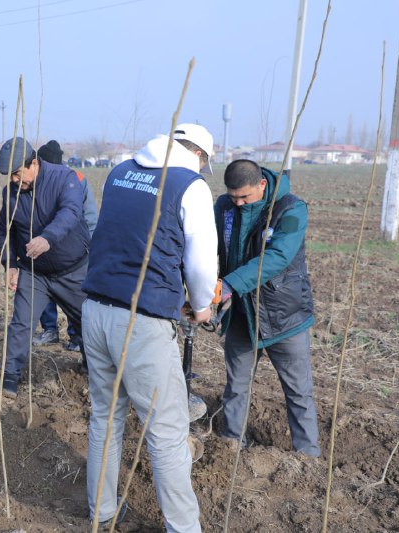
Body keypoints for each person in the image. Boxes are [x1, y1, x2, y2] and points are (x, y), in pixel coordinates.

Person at [82, 124, 218, 531]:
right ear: (200, 156)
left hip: (95, 309)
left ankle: (101, 514)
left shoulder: (121, 171)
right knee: (166, 432)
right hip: (140, 323)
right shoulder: (190, 186)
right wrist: (202, 305)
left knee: (105, 418)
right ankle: (183, 528)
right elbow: (200, 262)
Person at [214, 159, 320, 456]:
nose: (238, 202)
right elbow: (212, 249)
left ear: (262, 184)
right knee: (236, 387)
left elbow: (277, 258)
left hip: (285, 317)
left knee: (298, 392)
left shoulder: (290, 209)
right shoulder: (224, 207)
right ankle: (231, 447)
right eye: (233, 196)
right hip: (240, 317)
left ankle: (308, 457)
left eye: (244, 197)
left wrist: (230, 284)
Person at [0, 136, 90, 398]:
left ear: (34, 163)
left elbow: (71, 212)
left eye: (17, 174)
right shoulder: (10, 193)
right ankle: (9, 378)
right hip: (33, 272)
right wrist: (10, 264)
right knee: (21, 325)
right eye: (10, 176)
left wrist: (47, 238)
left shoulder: (65, 179)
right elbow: (6, 229)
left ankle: (92, 369)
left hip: (73, 270)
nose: (14, 181)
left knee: (88, 323)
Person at [32, 140, 98, 351]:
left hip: (74, 250)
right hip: (43, 245)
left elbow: (90, 215)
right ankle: (50, 330)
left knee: (76, 295)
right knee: (45, 289)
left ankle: (77, 336)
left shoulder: (76, 179)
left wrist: (88, 245)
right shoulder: (35, 179)